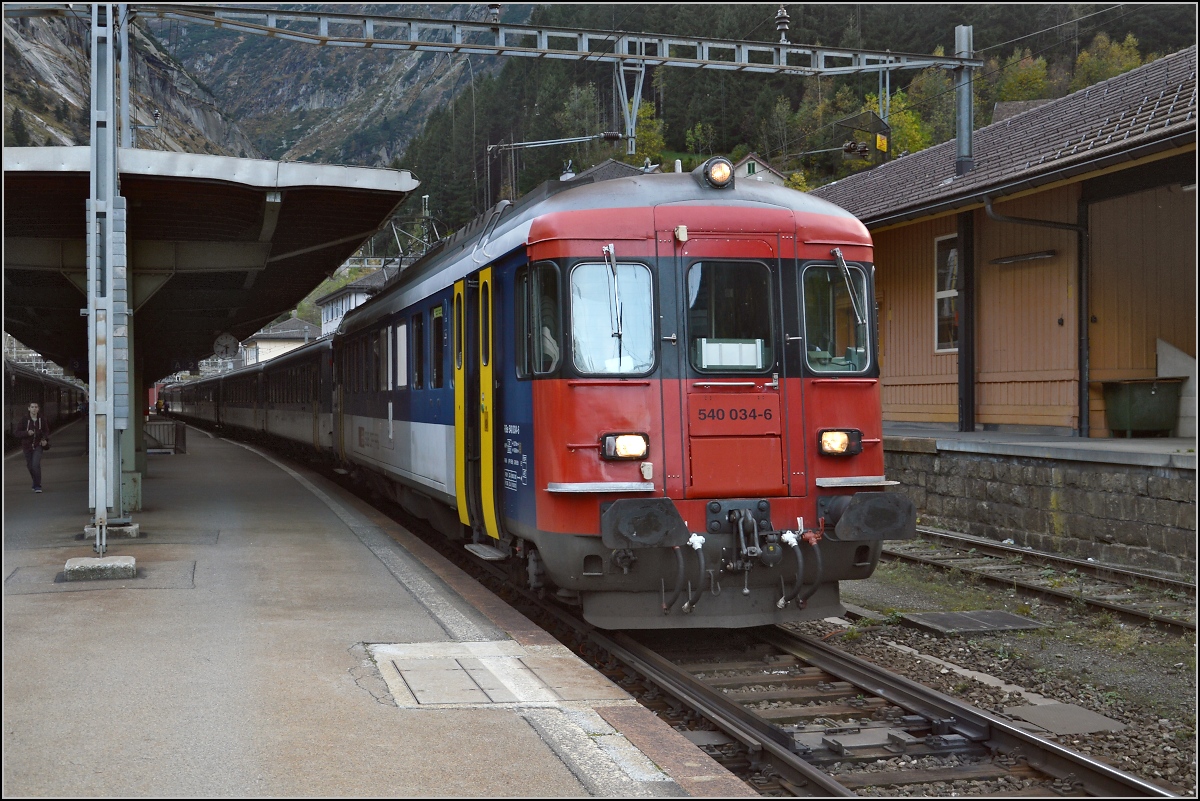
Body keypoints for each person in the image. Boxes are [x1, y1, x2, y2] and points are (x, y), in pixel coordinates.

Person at [15, 401, 49, 492]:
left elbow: (46, 431)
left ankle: (37, 486)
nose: (34, 409)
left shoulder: (42, 419)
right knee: (30, 466)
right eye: (32, 407)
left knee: (35, 464)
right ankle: (35, 481)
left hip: (38, 445)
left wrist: (44, 439)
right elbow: (17, 433)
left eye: (36, 407)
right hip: (27, 447)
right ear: (29, 409)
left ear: (38, 409)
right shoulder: (24, 420)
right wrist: (27, 433)